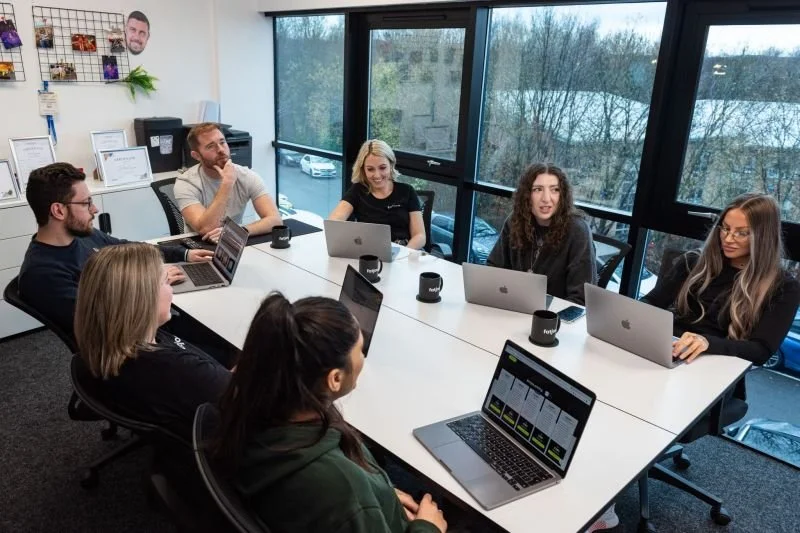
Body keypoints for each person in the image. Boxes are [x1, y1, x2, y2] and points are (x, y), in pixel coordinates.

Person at [214, 292, 447, 533]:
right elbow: (347, 498)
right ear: (335, 379)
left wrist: (379, 493)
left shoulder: (248, 408)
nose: (363, 357)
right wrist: (427, 527)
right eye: (361, 350)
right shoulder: (346, 492)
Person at [18, 163, 212, 341]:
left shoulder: (82, 235)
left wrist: (182, 254)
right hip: (133, 342)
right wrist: (152, 283)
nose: (95, 209)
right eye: (86, 203)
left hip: (148, 319)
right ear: (58, 211)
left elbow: (126, 248)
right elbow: (105, 323)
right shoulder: (42, 274)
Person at [74, 243, 230, 439]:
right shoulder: (180, 369)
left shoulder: (102, 345)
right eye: (165, 282)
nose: (171, 290)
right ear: (142, 300)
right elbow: (244, 394)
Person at [641, 193, 800, 366]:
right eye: (725, 228)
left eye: (742, 233)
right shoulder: (693, 262)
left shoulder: (783, 287)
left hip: (717, 365)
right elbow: (652, 301)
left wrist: (707, 342)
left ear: (763, 238)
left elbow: (761, 351)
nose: (728, 239)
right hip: (669, 351)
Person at [487, 163, 597, 304]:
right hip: (516, 306)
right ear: (527, 195)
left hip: (554, 314)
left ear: (562, 196)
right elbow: (493, 269)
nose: (546, 198)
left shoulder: (578, 230)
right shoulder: (516, 221)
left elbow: (581, 299)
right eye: (538, 189)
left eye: (555, 190)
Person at [174, 123, 282, 242]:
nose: (220, 150)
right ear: (197, 156)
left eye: (222, 142)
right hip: (199, 244)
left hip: (232, 241)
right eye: (211, 146)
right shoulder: (186, 183)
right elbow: (206, 229)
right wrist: (227, 184)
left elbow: (275, 220)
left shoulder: (247, 176)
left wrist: (239, 232)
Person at [329, 139, 426, 250]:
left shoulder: (407, 191)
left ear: (391, 165)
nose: (377, 175)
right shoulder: (357, 190)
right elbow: (333, 223)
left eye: (382, 168)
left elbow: (420, 236)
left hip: (405, 250)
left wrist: (404, 253)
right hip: (371, 252)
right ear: (363, 169)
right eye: (370, 169)